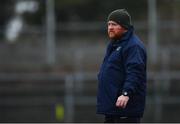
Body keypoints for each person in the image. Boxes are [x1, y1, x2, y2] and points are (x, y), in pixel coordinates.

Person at [96, 9, 147, 123]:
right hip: (113, 109)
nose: (110, 27)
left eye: (114, 24)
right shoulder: (114, 44)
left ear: (125, 26)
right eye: (108, 24)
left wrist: (126, 93)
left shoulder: (133, 46)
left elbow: (135, 72)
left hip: (125, 110)